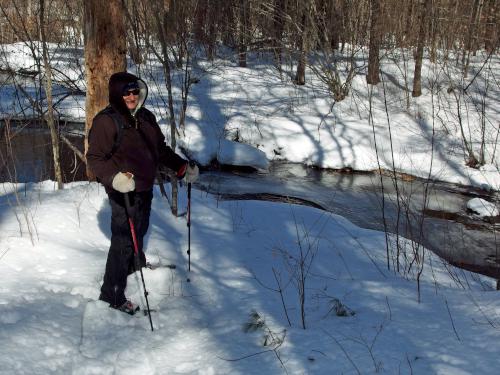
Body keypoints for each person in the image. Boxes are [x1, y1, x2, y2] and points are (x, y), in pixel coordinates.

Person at [87, 71, 198, 314]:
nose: (132, 95)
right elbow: (95, 158)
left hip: (144, 187)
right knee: (123, 240)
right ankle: (112, 295)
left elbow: (160, 150)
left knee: (140, 230)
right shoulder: (107, 121)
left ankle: (134, 268)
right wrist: (114, 178)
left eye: (135, 90)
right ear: (117, 94)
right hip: (122, 190)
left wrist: (180, 167)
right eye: (126, 92)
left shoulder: (145, 117)